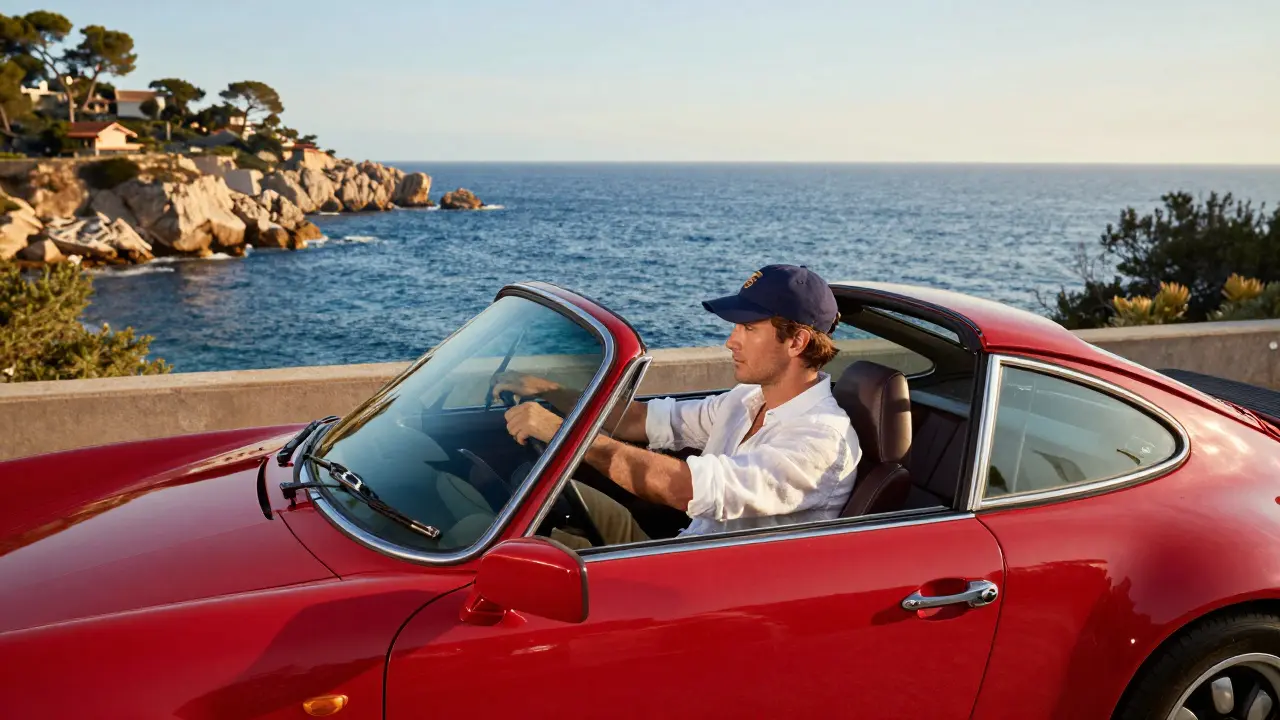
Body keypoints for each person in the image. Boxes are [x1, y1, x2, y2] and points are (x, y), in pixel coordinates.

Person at [499, 264, 862, 548]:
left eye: (748, 329)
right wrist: (550, 390)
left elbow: (684, 488)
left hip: (710, 593)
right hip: (680, 547)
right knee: (524, 499)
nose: (730, 341)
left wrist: (564, 434)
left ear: (796, 341)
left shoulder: (820, 442)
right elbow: (639, 420)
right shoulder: (747, 400)